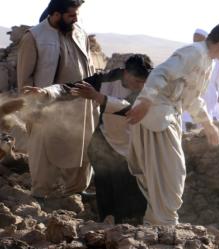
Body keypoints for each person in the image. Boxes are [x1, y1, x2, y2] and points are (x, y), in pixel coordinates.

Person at [125, 22, 219, 226]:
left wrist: (208, 125)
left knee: (165, 175)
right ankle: (163, 223)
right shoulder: (194, 53)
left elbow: (193, 97)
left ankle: (158, 222)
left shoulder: (208, 61)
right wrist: (146, 101)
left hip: (168, 116)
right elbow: (159, 74)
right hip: (158, 116)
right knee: (170, 174)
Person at [24, 54, 152, 224]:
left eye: (142, 82)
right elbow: (69, 89)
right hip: (105, 143)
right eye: (136, 81)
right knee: (106, 192)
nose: (139, 86)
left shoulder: (150, 86)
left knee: (131, 195)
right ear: (125, 72)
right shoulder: (107, 79)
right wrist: (46, 92)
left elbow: (129, 109)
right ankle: (106, 228)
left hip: (133, 147)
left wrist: (98, 97)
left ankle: (132, 229)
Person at [17, 0, 96, 198]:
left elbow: (90, 68)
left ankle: (76, 189)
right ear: (56, 14)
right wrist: (30, 107)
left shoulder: (80, 33)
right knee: (43, 150)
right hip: (47, 104)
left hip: (80, 103)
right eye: (71, 15)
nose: (76, 18)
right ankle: (41, 193)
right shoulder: (34, 37)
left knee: (82, 145)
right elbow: (24, 77)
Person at [182, 28, 219, 130]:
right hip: (190, 91)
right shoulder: (188, 53)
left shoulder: (215, 58)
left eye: (198, 39)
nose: (196, 41)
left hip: (208, 93)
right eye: (195, 38)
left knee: (204, 120)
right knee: (186, 118)